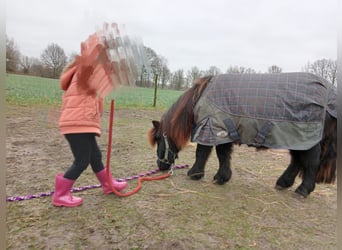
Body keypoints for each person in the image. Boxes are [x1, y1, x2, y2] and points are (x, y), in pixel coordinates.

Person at [52, 40, 128, 207]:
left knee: (95, 156)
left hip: (80, 123)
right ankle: (61, 194)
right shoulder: (86, 69)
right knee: (82, 160)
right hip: (77, 123)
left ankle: (108, 184)